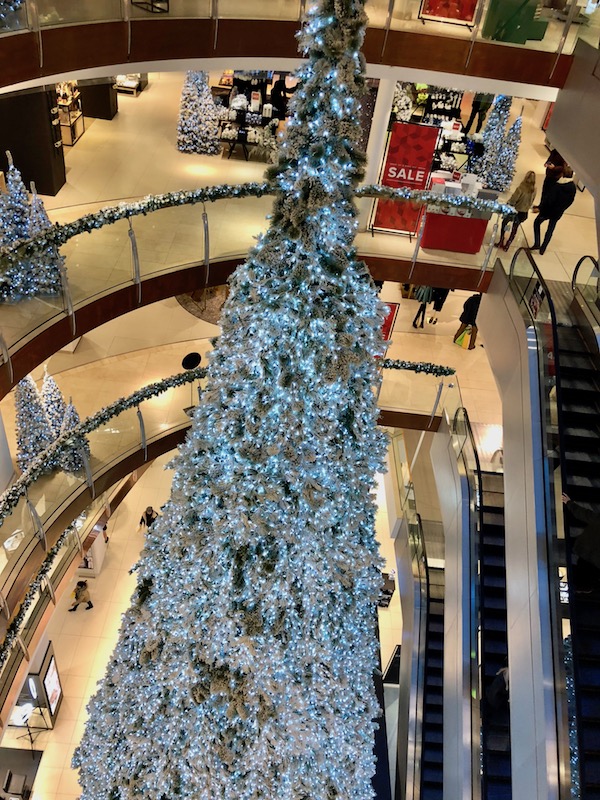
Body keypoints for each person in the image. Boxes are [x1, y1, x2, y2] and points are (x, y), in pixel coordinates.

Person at [531, 166, 576, 255]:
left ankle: (537, 243)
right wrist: (562, 208)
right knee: (550, 229)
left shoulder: (557, 186)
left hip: (548, 211)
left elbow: (549, 200)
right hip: (558, 212)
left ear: (562, 174)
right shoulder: (572, 187)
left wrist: (540, 208)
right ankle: (543, 248)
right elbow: (570, 201)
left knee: (537, 223)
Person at [562, 493, 600, 593]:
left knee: (578, 578)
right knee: (581, 582)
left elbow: (585, 514)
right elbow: (585, 515)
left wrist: (569, 503)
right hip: (592, 562)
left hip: (584, 552)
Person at [496, 171, 536, 251]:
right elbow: (531, 201)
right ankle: (508, 244)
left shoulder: (520, 188)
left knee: (504, 223)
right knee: (515, 228)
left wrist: (508, 203)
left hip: (515, 211)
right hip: (524, 212)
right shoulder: (534, 190)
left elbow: (513, 200)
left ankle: (501, 241)